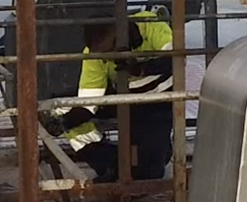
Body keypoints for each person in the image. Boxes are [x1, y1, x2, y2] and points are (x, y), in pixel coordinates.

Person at [54, 10, 175, 182]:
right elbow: (90, 100)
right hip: (124, 99)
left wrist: (140, 68)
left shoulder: (149, 24)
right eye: (102, 55)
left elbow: (177, 58)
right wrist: (65, 122)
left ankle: (153, 153)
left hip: (159, 100)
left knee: (149, 174)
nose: (106, 59)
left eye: (109, 50)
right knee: (59, 109)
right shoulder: (94, 54)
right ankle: (111, 163)